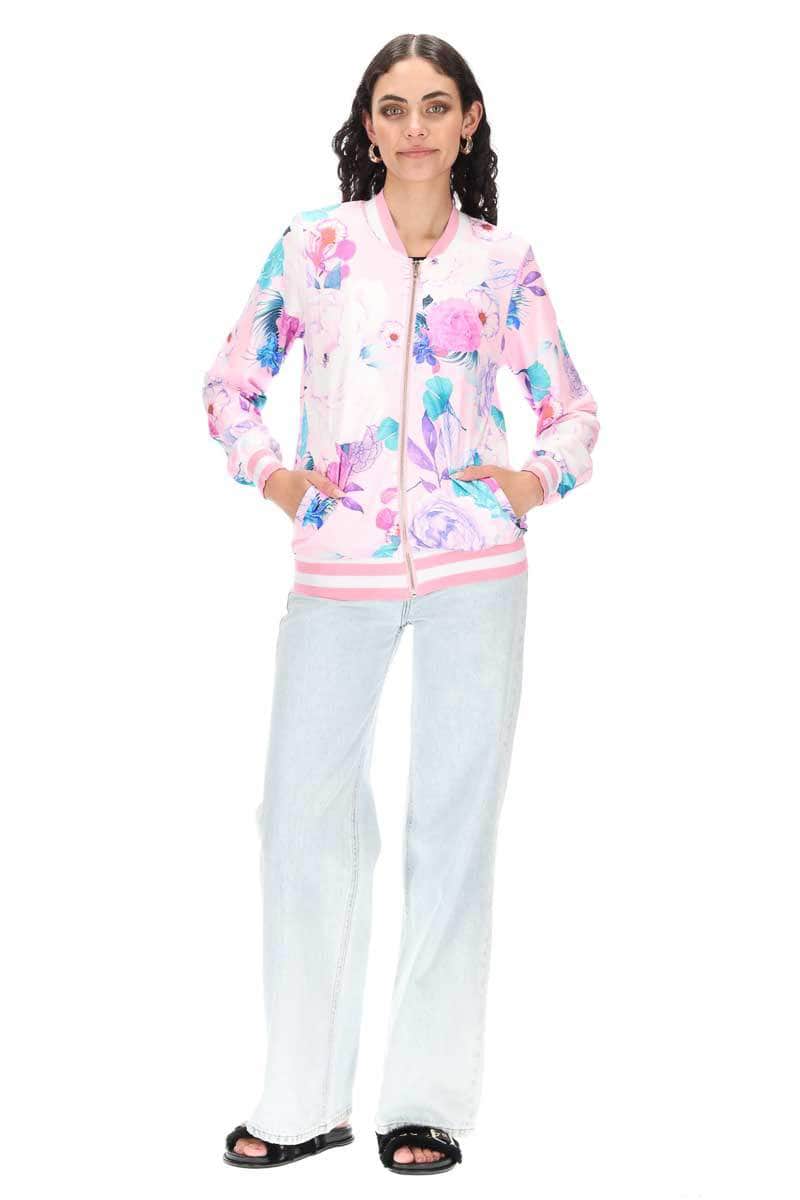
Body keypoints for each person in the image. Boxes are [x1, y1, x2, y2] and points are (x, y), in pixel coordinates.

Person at [203, 33, 600, 1176]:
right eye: (393, 107)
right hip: (338, 568)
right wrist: (277, 478)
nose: (414, 127)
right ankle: (301, 1100)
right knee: (299, 818)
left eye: (435, 106)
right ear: (367, 126)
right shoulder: (314, 247)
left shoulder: (502, 261)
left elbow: (570, 409)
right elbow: (230, 383)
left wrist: (528, 483)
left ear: (467, 122)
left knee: (451, 827)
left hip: (474, 568)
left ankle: (421, 1100)